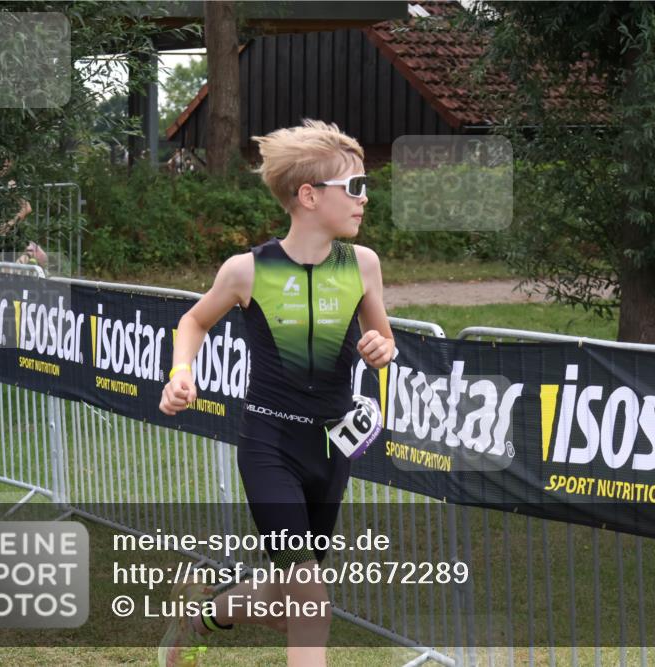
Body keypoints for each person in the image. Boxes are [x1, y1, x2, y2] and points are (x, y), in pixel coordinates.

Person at [157, 119, 395, 667]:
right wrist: (179, 374)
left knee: (292, 595)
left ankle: (204, 614)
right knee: (312, 598)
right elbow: (192, 322)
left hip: (332, 448)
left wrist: (383, 349)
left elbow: (384, 337)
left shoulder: (363, 265)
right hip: (269, 444)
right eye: (354, 188)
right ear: (309, 196)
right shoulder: (246, 271)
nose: (364, 200)